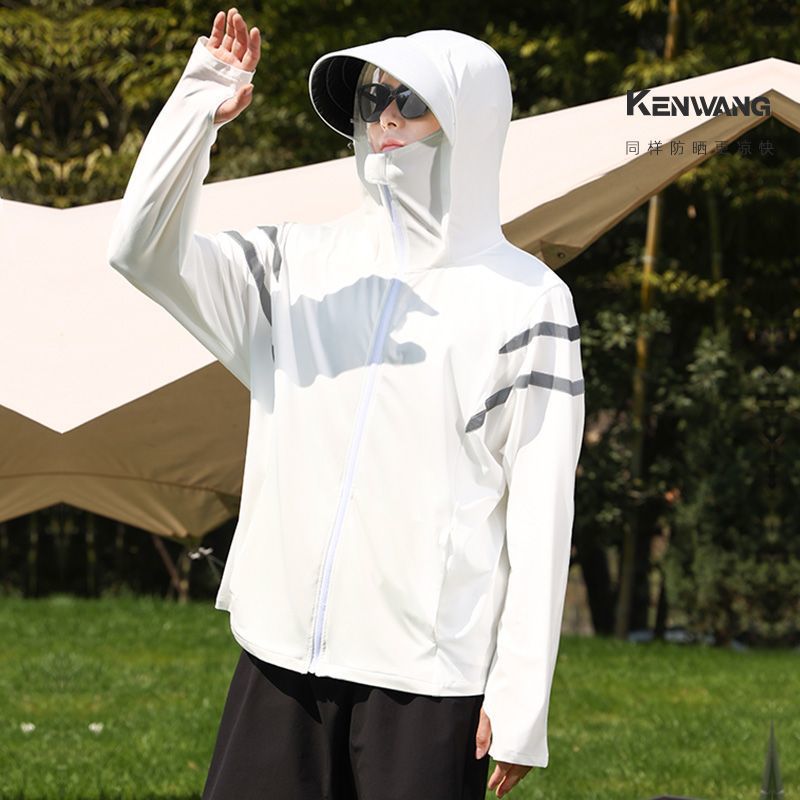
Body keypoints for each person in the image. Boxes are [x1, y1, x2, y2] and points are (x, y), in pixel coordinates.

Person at [106, 7, 586, 799]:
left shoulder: (527, 301)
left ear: (470, 122)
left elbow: (541, 513)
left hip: (427, 685)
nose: (384, 118)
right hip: (279, 658)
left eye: (409, 100)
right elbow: (140, 250)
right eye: (370, 99)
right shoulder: (294, 265)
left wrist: (520, 699)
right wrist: (199, 107)